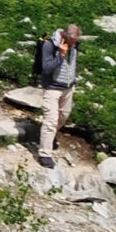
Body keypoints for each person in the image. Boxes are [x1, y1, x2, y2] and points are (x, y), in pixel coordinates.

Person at [33, 22, 81, 169]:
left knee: (64, 116)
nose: (74, 45)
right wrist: (60, 55)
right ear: (64, 36)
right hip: (52, 87)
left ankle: (50, 136)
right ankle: (45, 155)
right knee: (51, 120)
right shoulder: (49, 45)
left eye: (76, 42)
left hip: (68, 87)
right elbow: (46, 68)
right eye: (72, 42)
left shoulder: (75, 44)